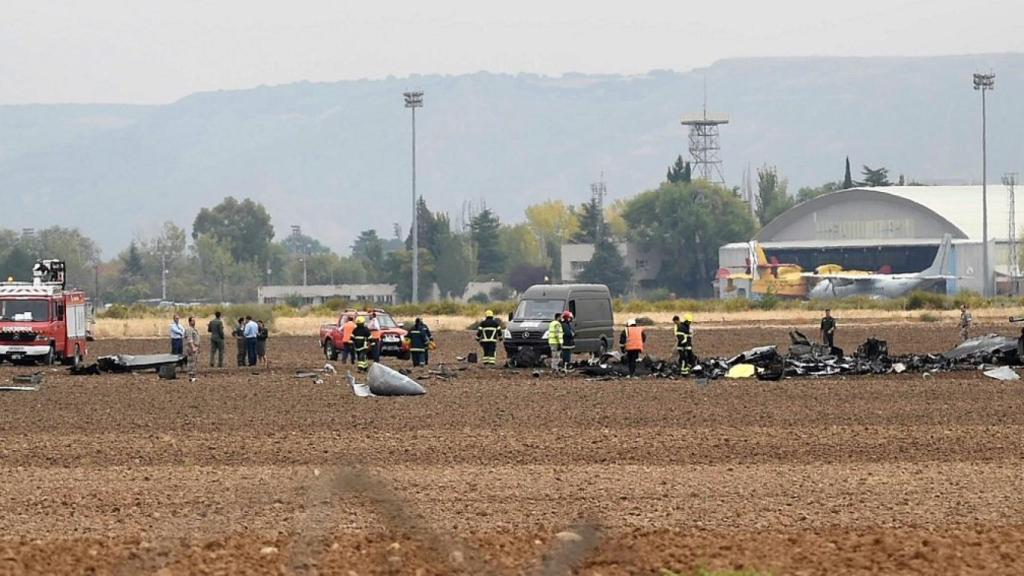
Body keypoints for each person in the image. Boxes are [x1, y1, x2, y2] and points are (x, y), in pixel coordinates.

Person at [185, 316, 200, 382]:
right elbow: (189, 339)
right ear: (190, 321)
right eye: (193, 321)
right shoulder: (189, 329)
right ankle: (191, 376)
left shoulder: (194, 329)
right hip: (191, 348)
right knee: (191, 362)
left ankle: (194, 376)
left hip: (195, 347)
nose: (194, 322)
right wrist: (193, 347)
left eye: (194, 320)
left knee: (194, 362)